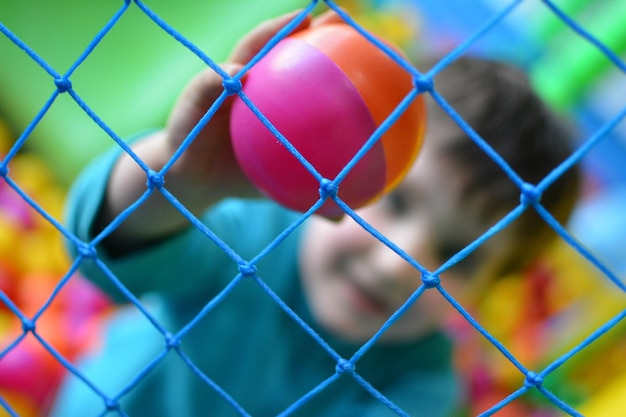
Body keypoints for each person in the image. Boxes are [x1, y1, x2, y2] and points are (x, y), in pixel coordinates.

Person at [50, 8, 580, 417]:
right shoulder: (253, 234)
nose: (402, 264)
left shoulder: (418, 385)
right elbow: (102, 256)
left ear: (488, 289)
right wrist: (182, 180)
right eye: (395, 201)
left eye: (457, 257)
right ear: (339, 166)